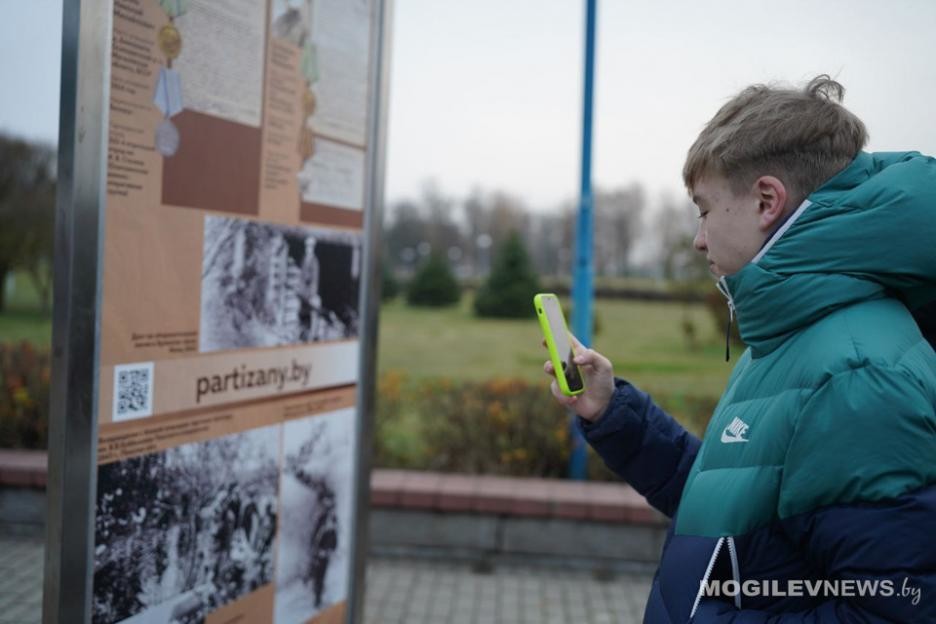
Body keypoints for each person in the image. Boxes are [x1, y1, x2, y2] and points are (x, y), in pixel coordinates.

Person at [545, 76, 936, 622]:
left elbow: (890, 611)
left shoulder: (854, 373)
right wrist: (616, 415)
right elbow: (736, 510)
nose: (699, 238)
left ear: (766, 200)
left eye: (704, 209)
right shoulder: (795, 337)